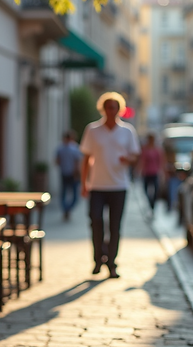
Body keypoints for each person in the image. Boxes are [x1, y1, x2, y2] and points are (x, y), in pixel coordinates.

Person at [80, 92, 141, 278]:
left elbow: (135, 156)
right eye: (107, 107)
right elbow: (86, 158)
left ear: (119, 110)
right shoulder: (92, 130)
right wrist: (83, 183)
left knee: (115, 226)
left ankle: (112, 262)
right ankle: (98, 258)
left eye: (114, 107)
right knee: (96, 222)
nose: (110, 111)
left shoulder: (127, 131)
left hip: (119, 186)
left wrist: (127, 159)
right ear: (103, 109)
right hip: (97, 185)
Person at [55, 130, 82, 221]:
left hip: (64, 173)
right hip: (72, 174)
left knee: (64, 194)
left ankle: (65, 209)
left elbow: (57, 161)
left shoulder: (60, 148)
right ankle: (68, 209)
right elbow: (77, 162)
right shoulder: (74, 148)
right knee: (74, 196)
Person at [139, 133, 164, 211]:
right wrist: (139, 170)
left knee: (156, 190)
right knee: (146, 189)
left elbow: (161, 161)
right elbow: (142, 160)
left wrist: (162, 172)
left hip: (155, 172)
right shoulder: (145, 149)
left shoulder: (157, 149)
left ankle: (153, 203)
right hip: (146, 172)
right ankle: (149, 201)